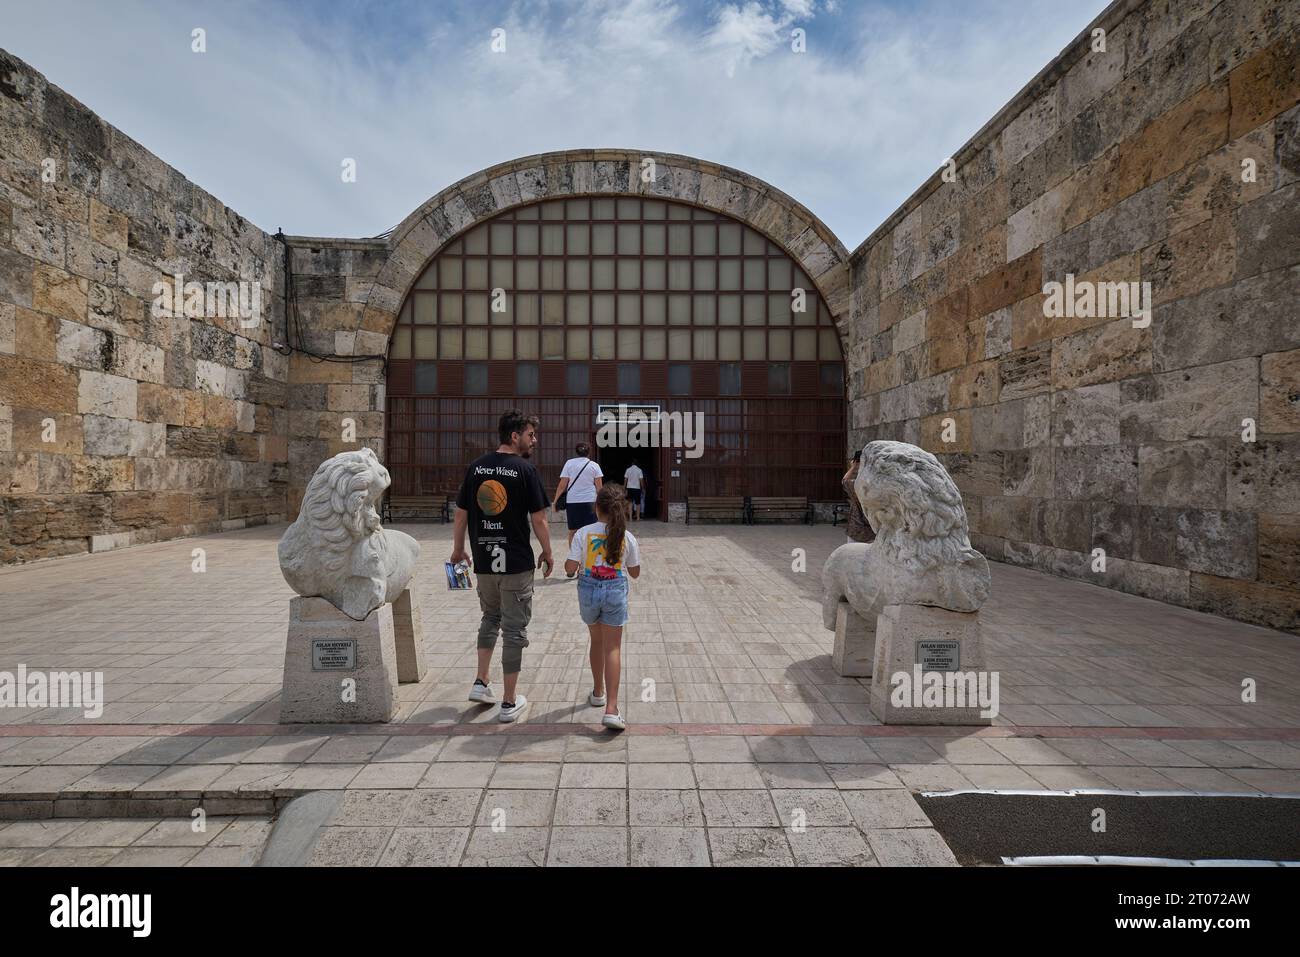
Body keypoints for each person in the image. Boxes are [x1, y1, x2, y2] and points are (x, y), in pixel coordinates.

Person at [450, 409, 553, 723]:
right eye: (530, 435)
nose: (534, 440)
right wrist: (548, 552)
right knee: (514, 629)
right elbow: (539, 519)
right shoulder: (525, 470)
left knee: (490, 617)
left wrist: (458, 550)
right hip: (516, 563)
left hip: (483, 560)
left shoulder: (476, 468)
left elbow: (461, 513)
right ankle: (509, 702)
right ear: (514, 436)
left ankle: (481, 683)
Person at [565, 483, 640, 731]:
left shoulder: (583, 533)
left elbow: (569, 567)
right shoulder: (627, 536)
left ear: (596, 508)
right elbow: (635, 572)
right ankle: (612, 708)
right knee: (613, 647)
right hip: (615, 590)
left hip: (588, 590)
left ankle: (598, 692)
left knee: (596, 642)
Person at [553, 443, 603, 547]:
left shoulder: (569, 464)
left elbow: (562, 485)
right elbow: (599, 488)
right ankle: (590, 554)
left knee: (573, 531)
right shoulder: (594, 465)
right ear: (589, 452)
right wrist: (601, 504)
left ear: (576, 452)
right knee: (591, 529)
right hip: (590, 501)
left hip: (573, 501)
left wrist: (555, 501)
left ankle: (574, 555)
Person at [842, 450, 875, 545]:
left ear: (857, 462)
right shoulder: (875, 484)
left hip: (856, 527)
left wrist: (853, 467)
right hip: (873, 528)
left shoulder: (856, 485)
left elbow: (844, 481)